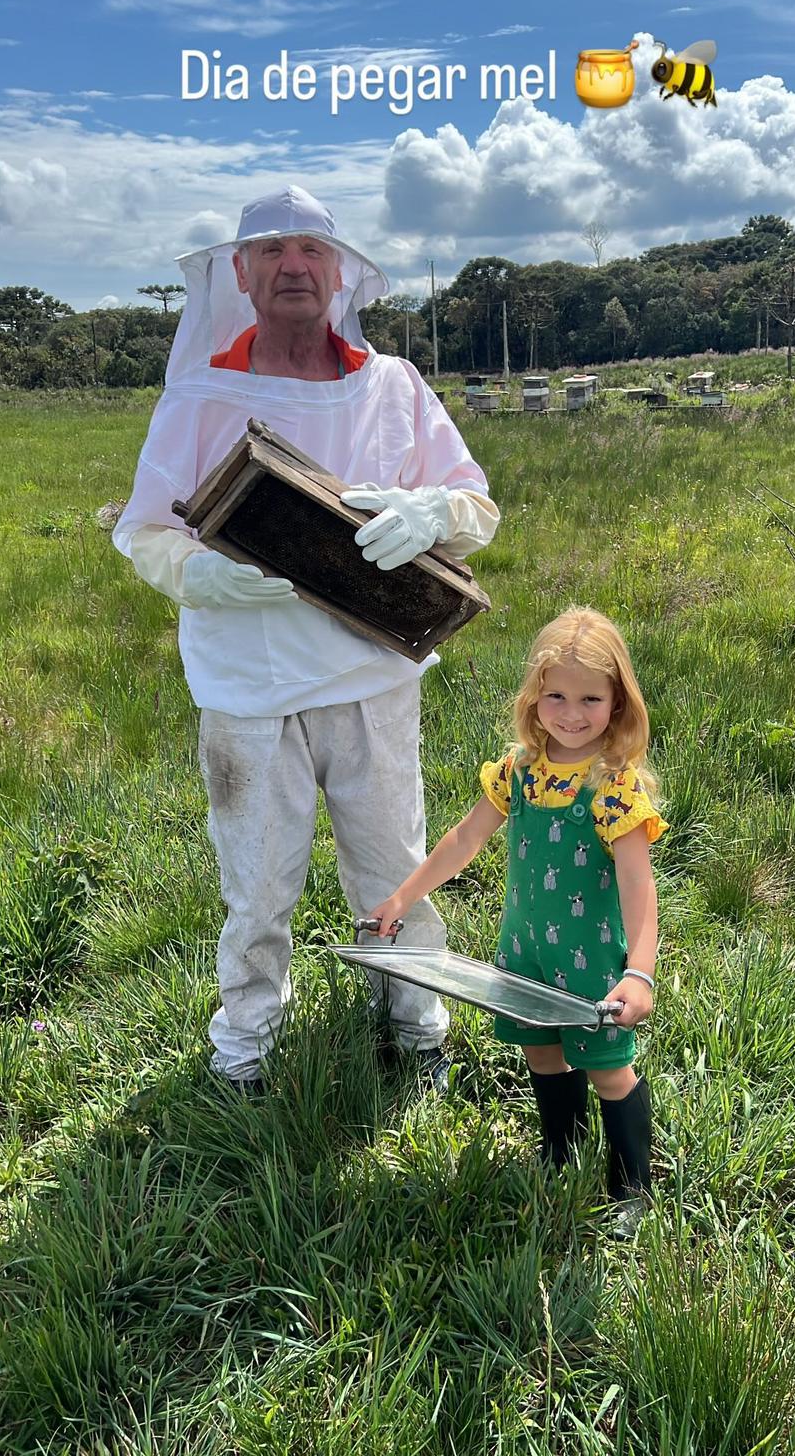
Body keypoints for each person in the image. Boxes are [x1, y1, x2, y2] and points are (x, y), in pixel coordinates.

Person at [112, 183, 499, 1095]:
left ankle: (417, 1026)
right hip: (246, 687)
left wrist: (433, 511)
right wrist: (197, 572)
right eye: (273, 252)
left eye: (311, 250)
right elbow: (143, 529)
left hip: (373, 678)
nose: (294, 267)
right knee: (257, 887)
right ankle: (245, 1050)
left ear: (340, 272)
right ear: (241, 275)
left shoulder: (394, 386)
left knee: (396, 868)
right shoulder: (201, 394)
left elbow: (477, 507)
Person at [370, 606, 667, 1238]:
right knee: (541, 1051)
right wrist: (402, 899)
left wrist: (639, 972)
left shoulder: (613, 788)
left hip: (591, 962)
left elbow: (639, 888)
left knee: (607, 1067)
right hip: (526, 950)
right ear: (535, 696)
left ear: (617, 703)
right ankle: (562, 1150)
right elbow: (464, 839)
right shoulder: (520, 770)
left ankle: (631, 1186)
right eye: (556, 695)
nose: (570, 713)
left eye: (590, 699)